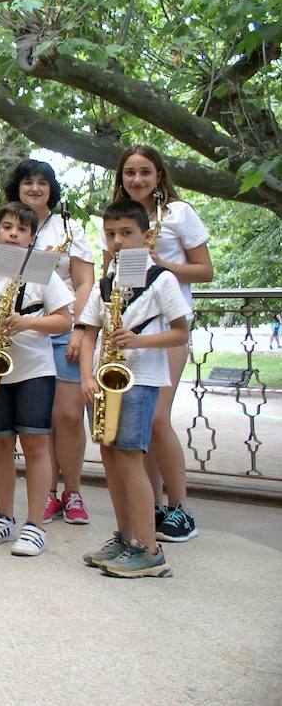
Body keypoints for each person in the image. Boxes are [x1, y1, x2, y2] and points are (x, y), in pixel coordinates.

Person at [0, 202, 73, 558]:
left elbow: (64, 321)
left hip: (34, 371)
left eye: (22, 230)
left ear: (32, 237)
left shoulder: (42, 271)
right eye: (7, 228)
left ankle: (35, 525)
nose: (14, 234)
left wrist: (27, 322)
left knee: (36, 447)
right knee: (0, 446)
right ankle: (4, 517)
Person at [76, 199, 188, 578]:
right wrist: (87, 378)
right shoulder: (106, 283)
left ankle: (149, 549)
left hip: (139, 381)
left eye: (127, 233)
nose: (118, 241)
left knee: (129, 459)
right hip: (104, 382)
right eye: (111, 234)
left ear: (147, 235)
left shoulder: (162, 279)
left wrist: (137, 343)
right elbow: (88, 331)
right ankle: (125, 538)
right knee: (110, 460)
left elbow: (180, 331)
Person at [110, 145, 212, 543]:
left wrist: (157, 265)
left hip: (166, 327)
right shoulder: (120, 218)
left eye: (145, 172)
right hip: (127, 333)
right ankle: (148, 505)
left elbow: (205, 269)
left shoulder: (179, 213)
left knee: (156, 419)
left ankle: (180, 507)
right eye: (130, 172)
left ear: (158, 175)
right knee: (136, 427)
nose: (136, 179)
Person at [0, 158, 94, 526]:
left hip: (63, 327)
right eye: (28, 182)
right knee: (39, 419)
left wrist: (82, 328)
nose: (35, 188)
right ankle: (48, 494)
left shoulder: (69, 227)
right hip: (21, 333)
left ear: (52, 188)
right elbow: (6, 280)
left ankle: (73, 492)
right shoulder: (11, 224)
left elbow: (84, 281)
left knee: (67, 415)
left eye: (42, 182)